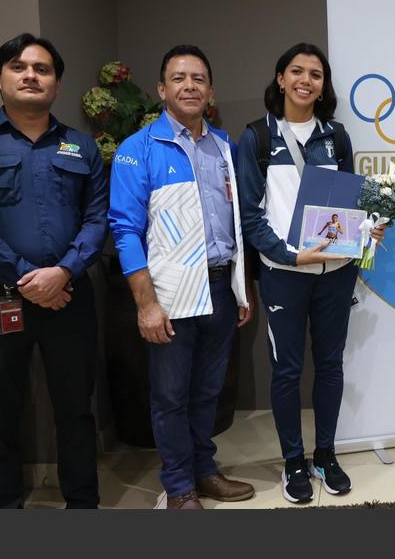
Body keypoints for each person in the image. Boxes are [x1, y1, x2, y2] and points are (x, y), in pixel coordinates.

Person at [0, 33, 107, 508]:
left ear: (56, 84)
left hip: (70, 298)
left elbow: (97, 220)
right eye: (18, 66)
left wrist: (64, 273)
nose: (31, 74)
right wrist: (27, 278)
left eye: (43, 68)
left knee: (76, 412)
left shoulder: (81, 147)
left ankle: (83, 506)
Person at [236, 43, 385, 504]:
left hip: (335, 272)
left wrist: (365, 233)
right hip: (285, 272)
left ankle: (325, 454)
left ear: (324, 85)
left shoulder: (336, 137)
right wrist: (288, 254)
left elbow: (346, 201)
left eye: (315, 74)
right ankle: (293, 461)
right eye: (296, 71)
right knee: (287, 370)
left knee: (331, 364)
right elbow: (248, 215)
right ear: (280, 78)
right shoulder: (257, 137)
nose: (306, 80)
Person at [108, 44, 256, 509]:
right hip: (170, 295)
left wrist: (241, 286)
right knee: (170, 396)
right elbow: (126, 231)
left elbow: (236, 225)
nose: (189, 86)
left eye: (198, 78)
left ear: (211, 90)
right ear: (161, 89)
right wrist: (146, 304)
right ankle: (178, 488)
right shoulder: (139, 150)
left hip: (220, 288)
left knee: (208, 391)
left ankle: (204, 471)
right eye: (178, 78)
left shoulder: (225, 148)